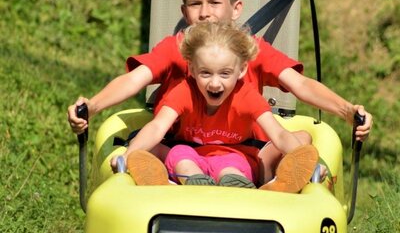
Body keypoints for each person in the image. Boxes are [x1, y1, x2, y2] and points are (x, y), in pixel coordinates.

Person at [67, 0, 372, 184]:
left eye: (214, 2)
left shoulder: (253, 50)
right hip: (181, 147)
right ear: (184, 11)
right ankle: (167, 177)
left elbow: (301, 86)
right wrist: (92, 107)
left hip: (244, 151)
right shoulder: (176, 48)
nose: (205, 12)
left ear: (235, 9)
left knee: (300, 139)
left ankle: (279, 183)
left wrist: (346, 111)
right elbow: (134, 81)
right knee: (149, 147)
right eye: (195, 4)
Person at [121, 21, 319, 192]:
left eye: (225, 74)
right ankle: (189, 183)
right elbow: (157, 127)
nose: (215, 84)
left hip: (235, 156)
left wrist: (306, 162)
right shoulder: (185, 91)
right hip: (190, 154)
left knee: (231, 168)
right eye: (206, 73)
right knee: (180, 156)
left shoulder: (247, 95)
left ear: (241, 70)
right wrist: (128, 155)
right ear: (192, 69)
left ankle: (235, 187)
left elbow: (279, 134)